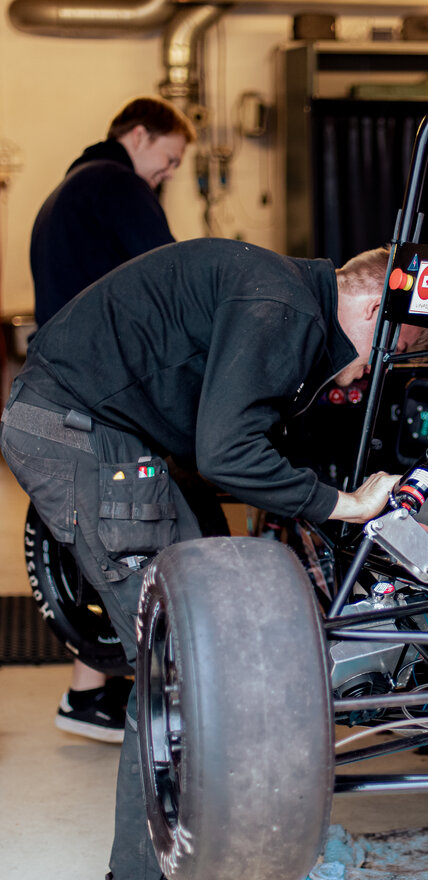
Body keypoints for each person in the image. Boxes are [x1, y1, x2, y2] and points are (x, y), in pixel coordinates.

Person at [1, 237, 419, 880]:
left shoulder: (284, 293)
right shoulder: (286, 307)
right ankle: (137, 873)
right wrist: (343, 503)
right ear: (370, 309)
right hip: (75, 430)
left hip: (93, 424)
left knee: (199, 627)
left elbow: (225, 431)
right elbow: (225, 454)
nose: (375, 372)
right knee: (184, 662)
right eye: (394, 350)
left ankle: (208, 839)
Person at [28, 95, 197, 742]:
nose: (168, 172)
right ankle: (164, 691)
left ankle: (87, 692)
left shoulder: (69, 190)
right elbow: (177, 275)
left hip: (67, 384)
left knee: (98, 534)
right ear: (138, 134)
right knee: (136, 531)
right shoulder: (115, 184)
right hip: (106, 387)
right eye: (168, 158)